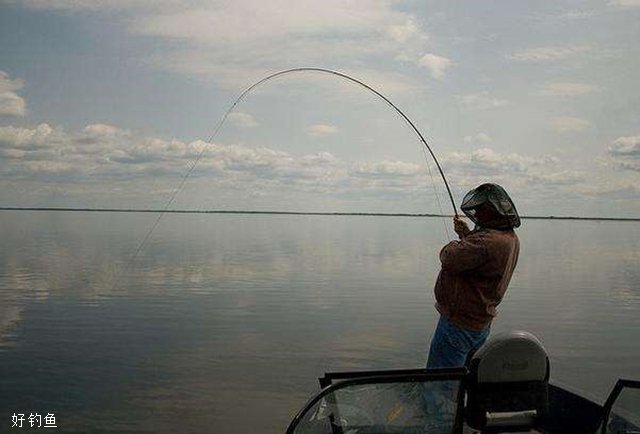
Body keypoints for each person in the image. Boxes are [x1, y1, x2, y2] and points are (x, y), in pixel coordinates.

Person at [427, 183, 521, 369]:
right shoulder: (510, 238)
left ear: (491, 212)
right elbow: (480, 257)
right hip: (480, 324)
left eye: (480, 209)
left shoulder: (485, 242)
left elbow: (449, 258)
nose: (476, 213)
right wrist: (467, 235)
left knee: (439, 384)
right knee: (464, 379)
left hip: (458, 325)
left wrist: (456, 243)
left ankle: (440, 400)